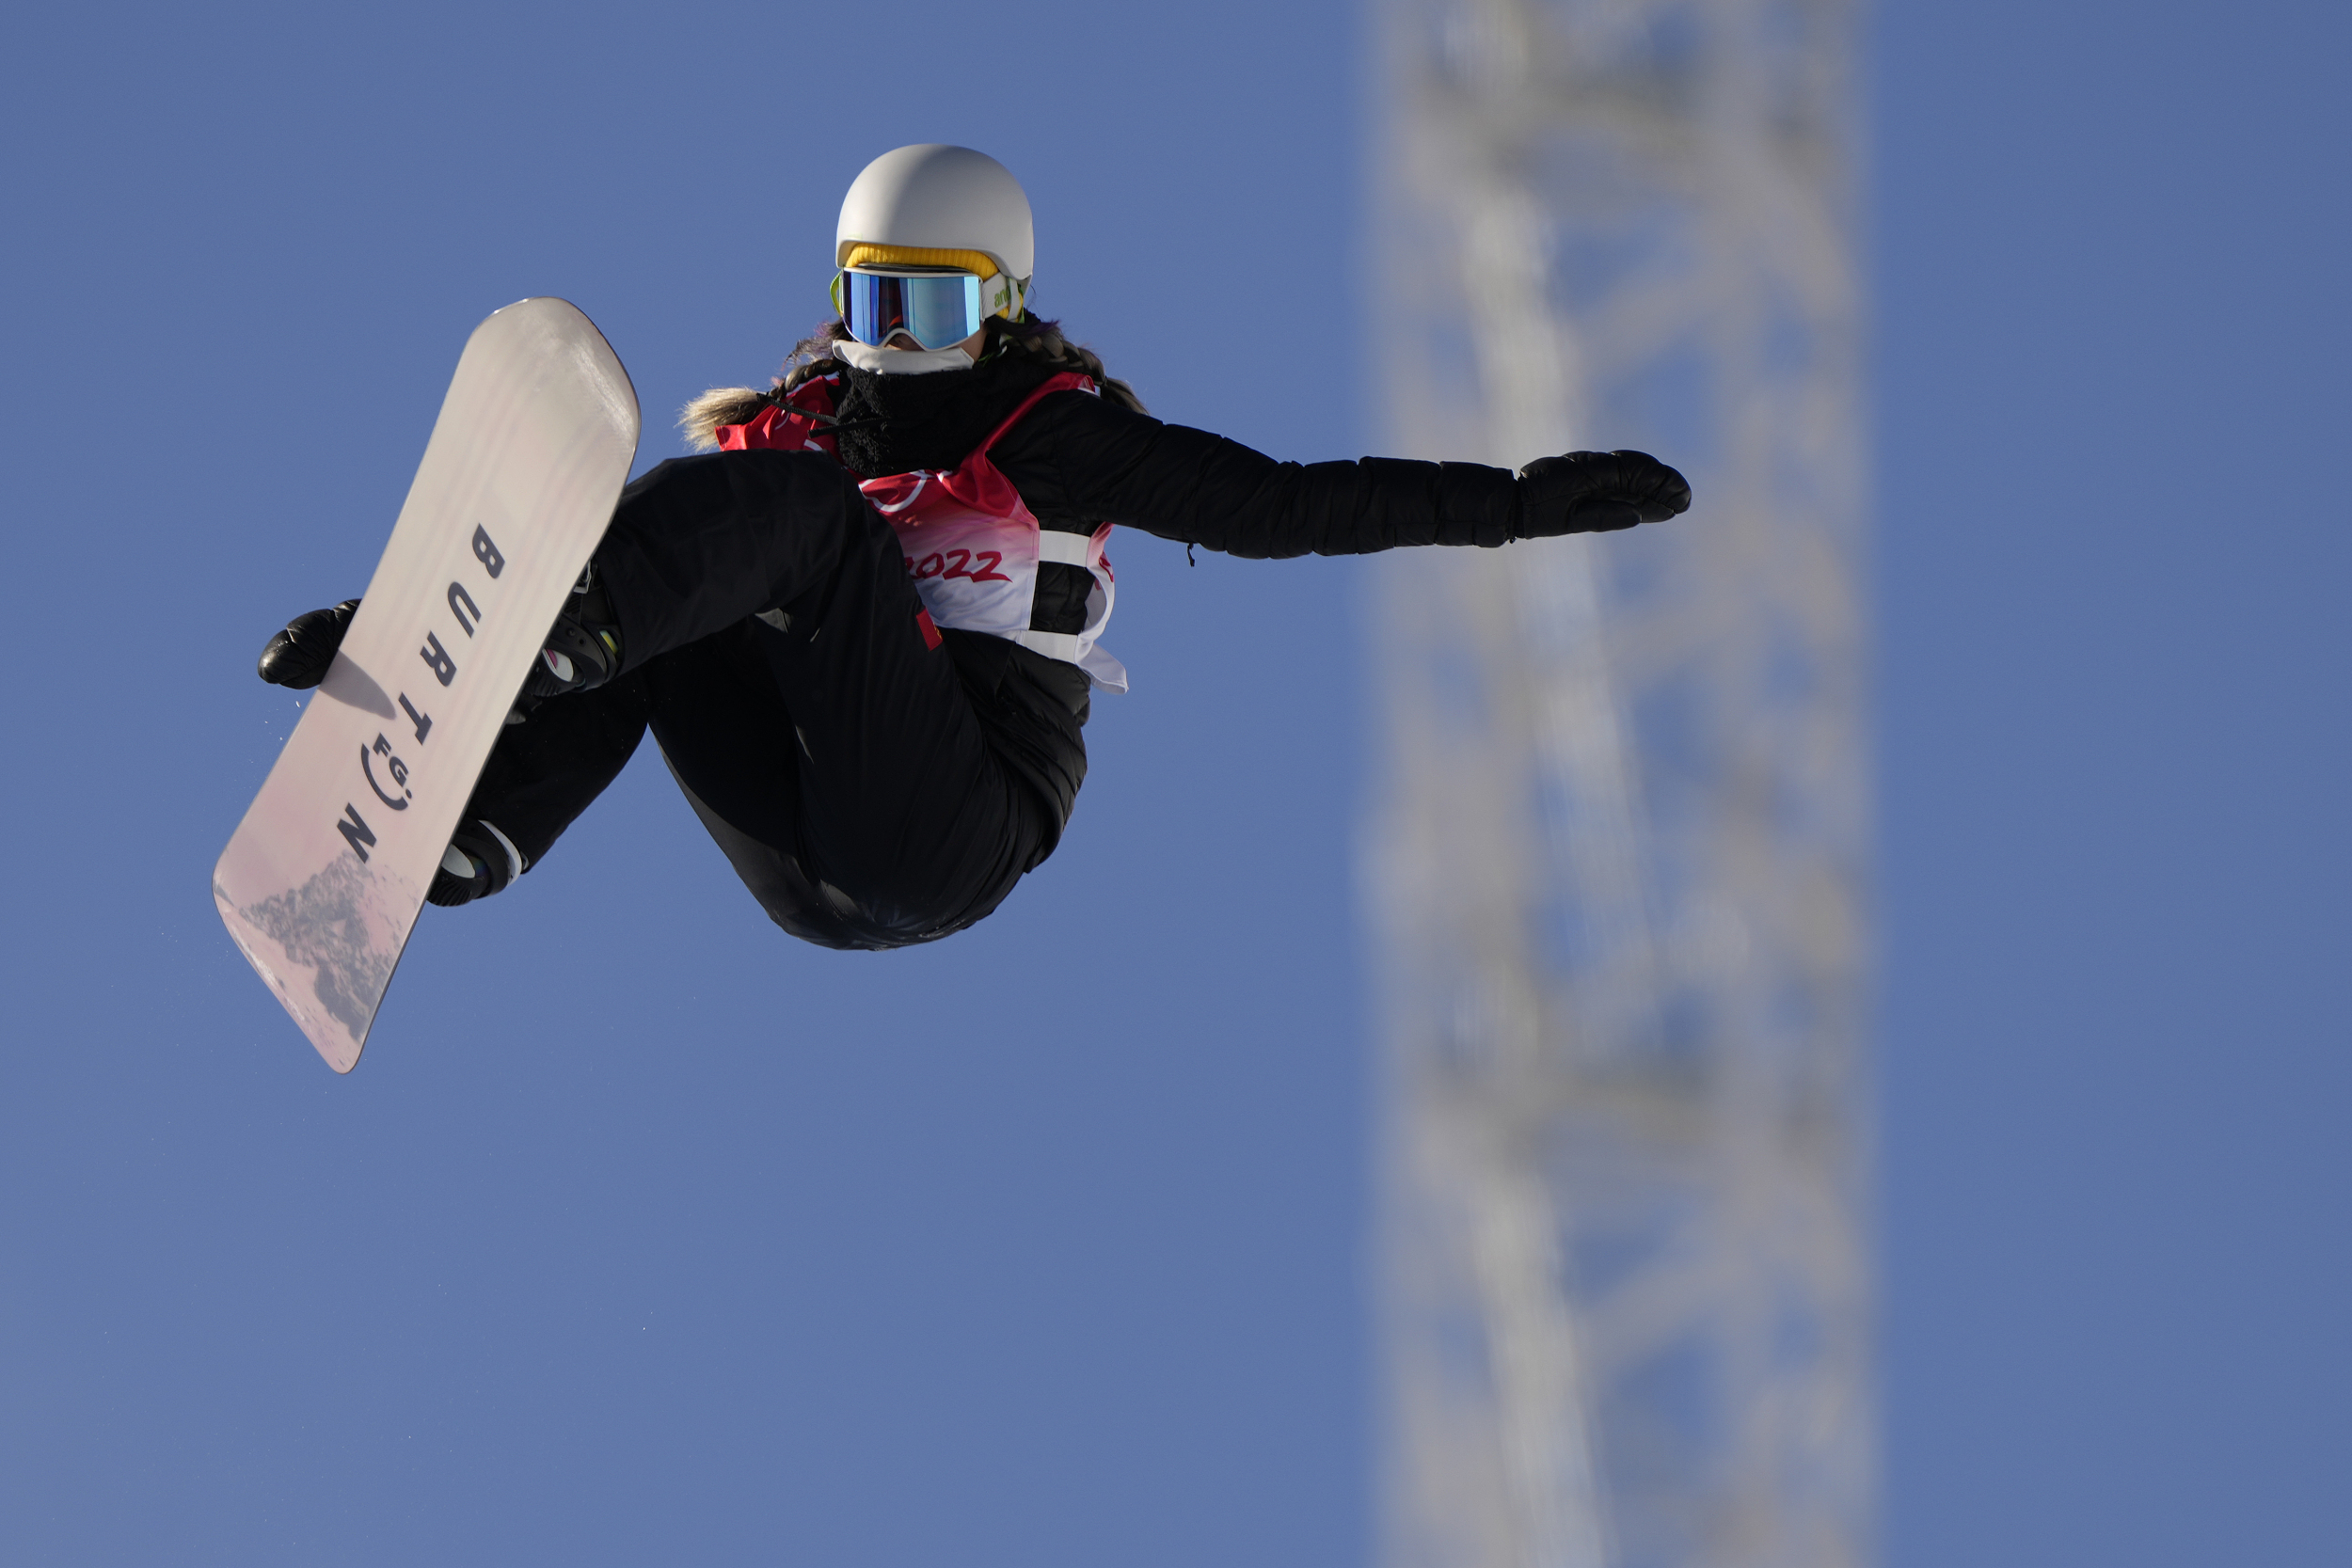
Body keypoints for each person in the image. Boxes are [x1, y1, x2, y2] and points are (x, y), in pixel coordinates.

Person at [256, 144, 1692, 952]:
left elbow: (1286, 505)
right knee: (685, 528)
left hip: (951, 825)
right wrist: (400, 625)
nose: (898, 357)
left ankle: (568, 633)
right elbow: (664, 542)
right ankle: (484, 824)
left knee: (780, 525)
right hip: (806, 860)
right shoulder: (797, 430)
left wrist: (1510, 502)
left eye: (932, 319)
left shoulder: (1050, 429)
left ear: (998, 314)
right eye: (875, 316)